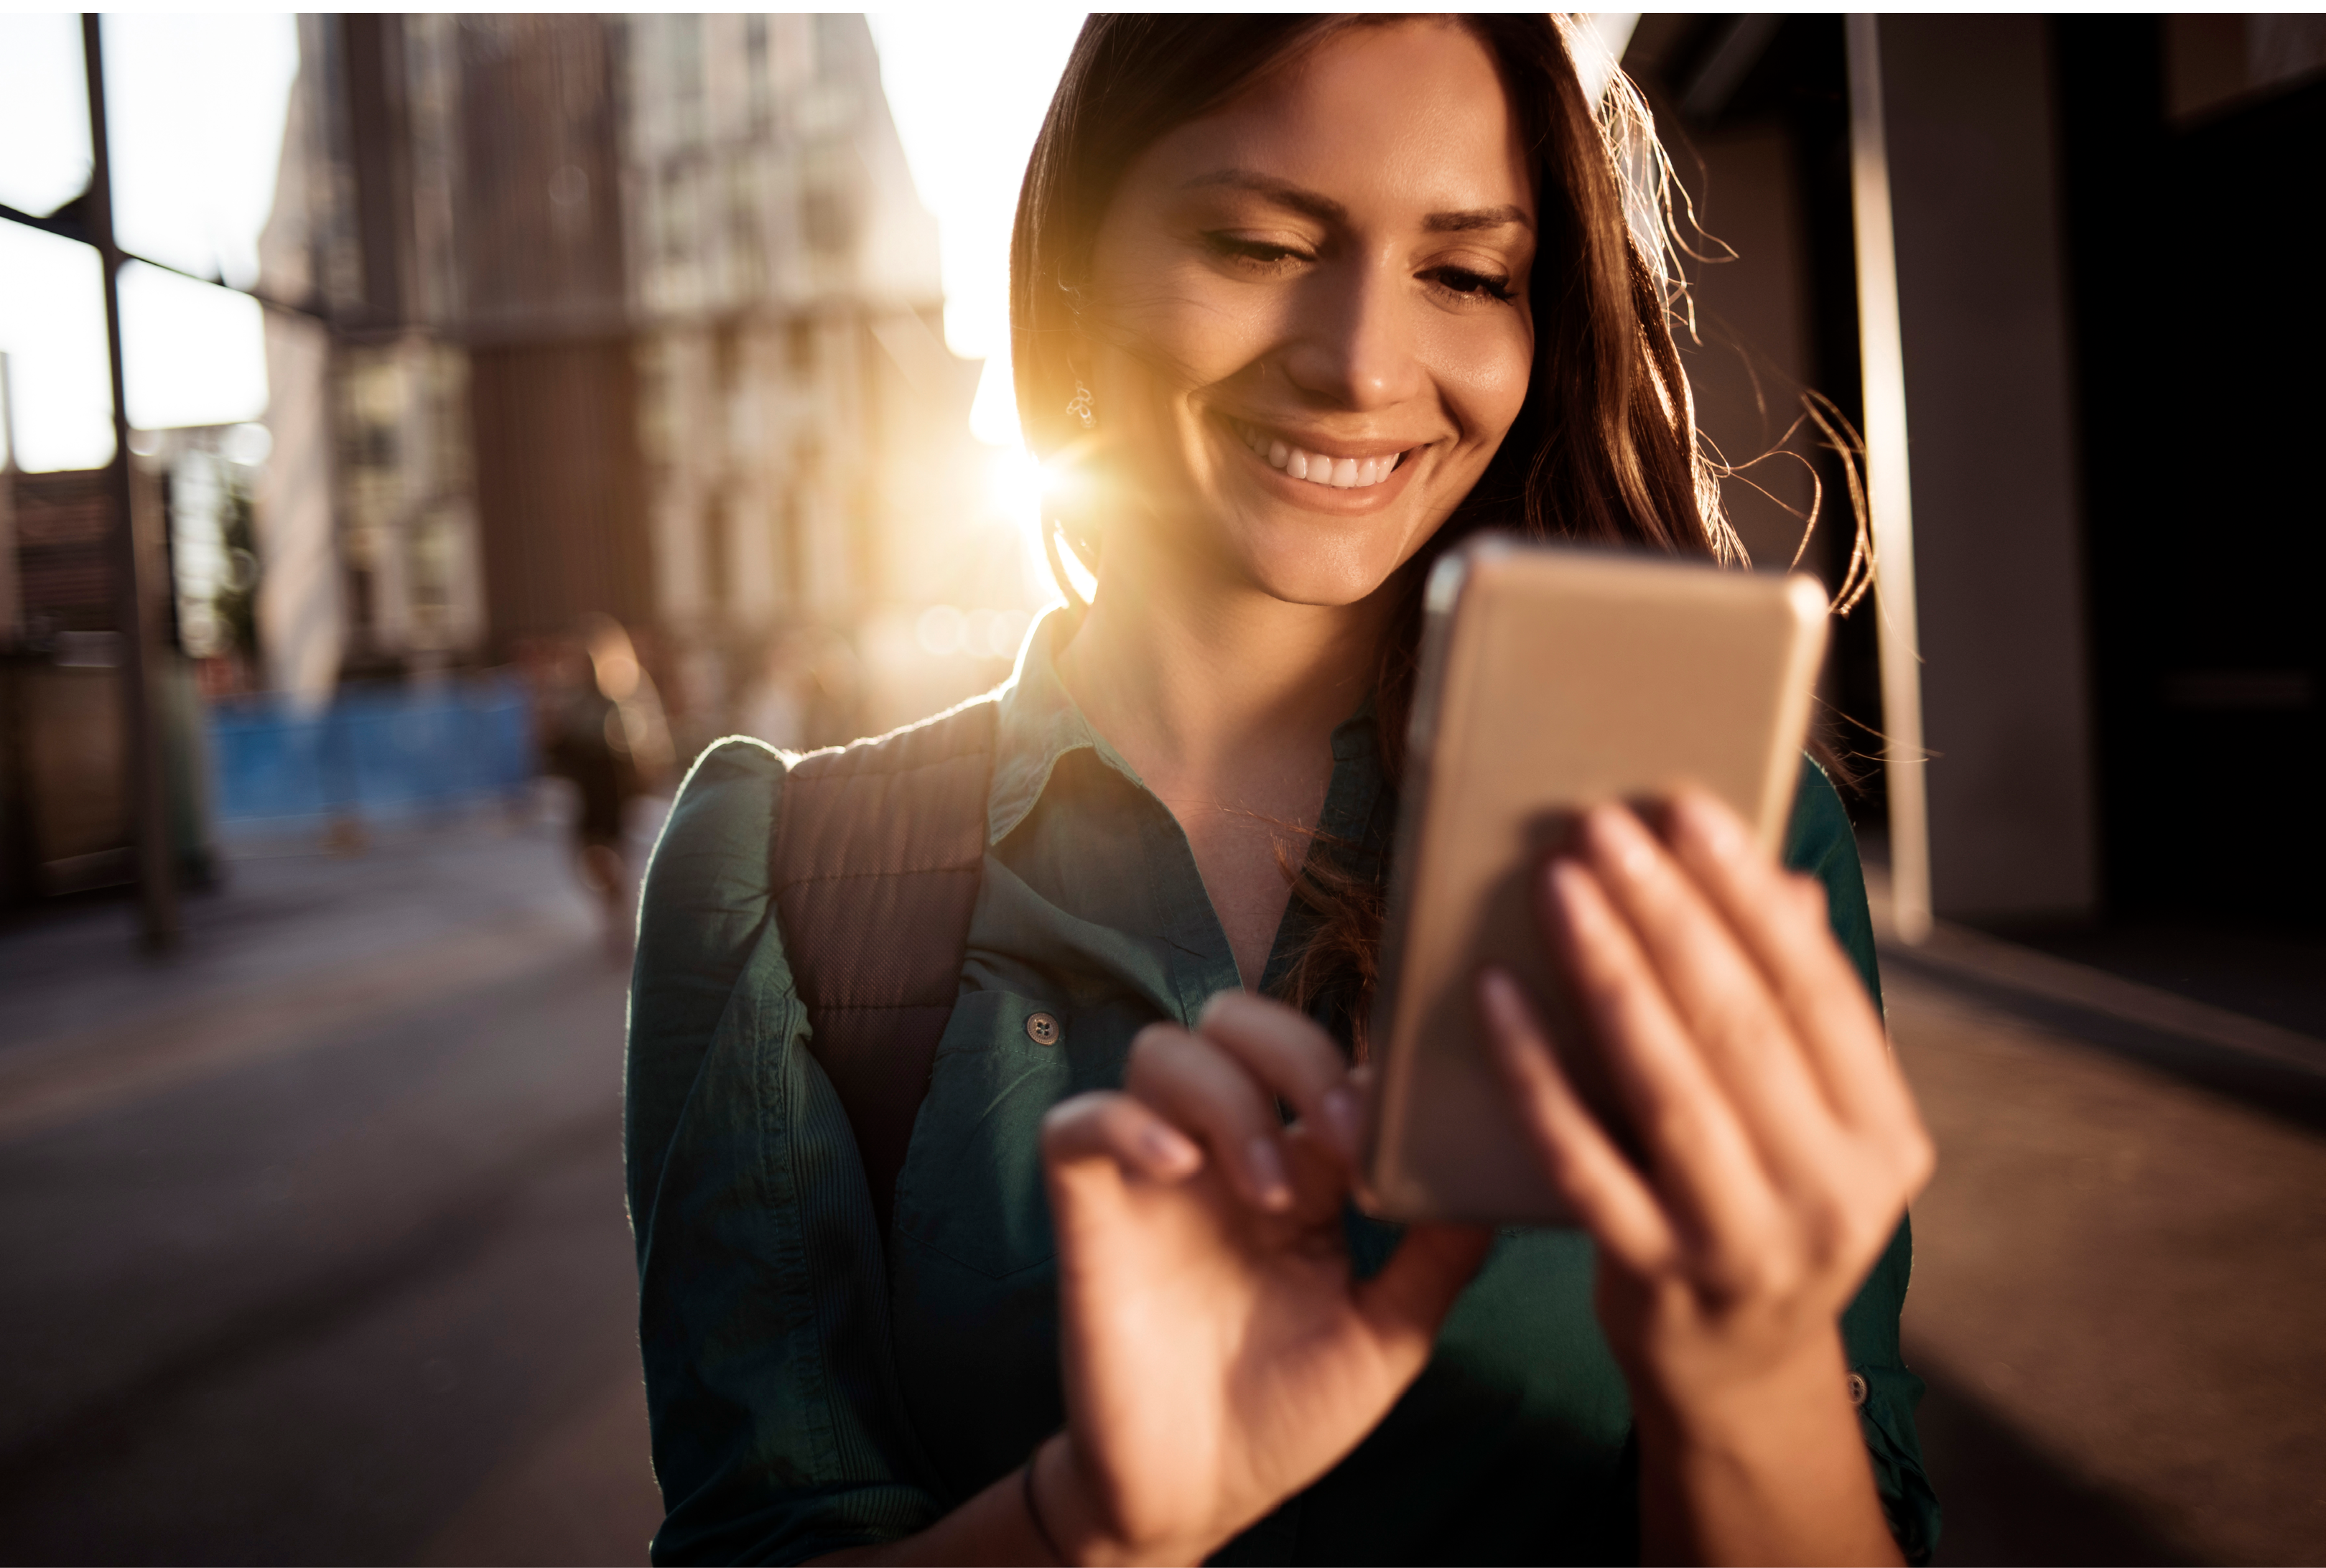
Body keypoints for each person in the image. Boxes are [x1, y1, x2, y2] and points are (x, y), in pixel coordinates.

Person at [626, 16, 1940, 1568]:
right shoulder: (785, 878)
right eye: (1255, 244)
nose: (1362, 363)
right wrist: (1090, 1524)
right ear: (1066, 264)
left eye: (1463, 275)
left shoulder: (1699, 840)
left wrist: (1750, 1382)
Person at [546, 614, 671, 958]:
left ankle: (618, 917)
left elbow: (640, 738)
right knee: (589, 856)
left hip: (611, 784)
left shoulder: (620, 690)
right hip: (589, 786)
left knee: (609, 853)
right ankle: (615, 910)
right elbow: (560, 743)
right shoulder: (572, 695)